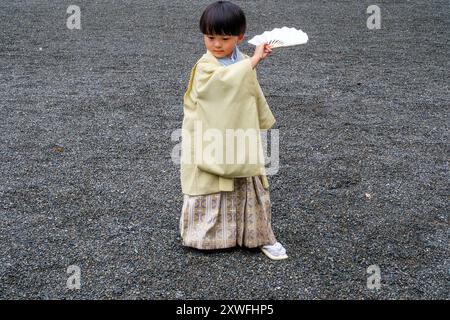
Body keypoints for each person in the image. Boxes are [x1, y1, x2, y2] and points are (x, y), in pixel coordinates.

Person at [179, 1, 287, 260]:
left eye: (224, 38)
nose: (216, 44)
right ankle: (205, 237)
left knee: (247, 178)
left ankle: (259, 235)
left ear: (240, 37)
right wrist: (253, 62)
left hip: (238, 134)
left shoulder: (243, 61)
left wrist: (252, 63)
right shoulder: (206, 66)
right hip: (211, 135)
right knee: (211, 178)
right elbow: (219, 85)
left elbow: (247, 92)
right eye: (210, 37)